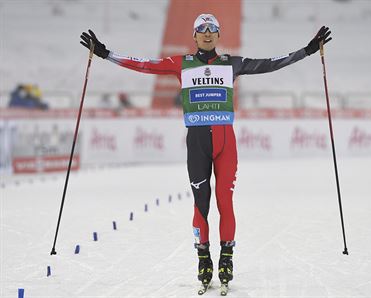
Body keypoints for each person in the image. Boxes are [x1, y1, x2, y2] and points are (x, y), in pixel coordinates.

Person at [80, 14, 331, 293]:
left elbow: (270, 64)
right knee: (201, 203)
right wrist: (105, 54)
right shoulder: (181, 64)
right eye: (202, 29)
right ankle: (203, 258)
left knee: (225, 201)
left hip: (226, 144)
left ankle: (226, 258)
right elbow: (145, 66)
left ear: (218, 36)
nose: (208, 34)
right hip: (197, 143)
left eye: (213, 30)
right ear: (195, 36)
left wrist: (307, 51)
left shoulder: (232, 63)